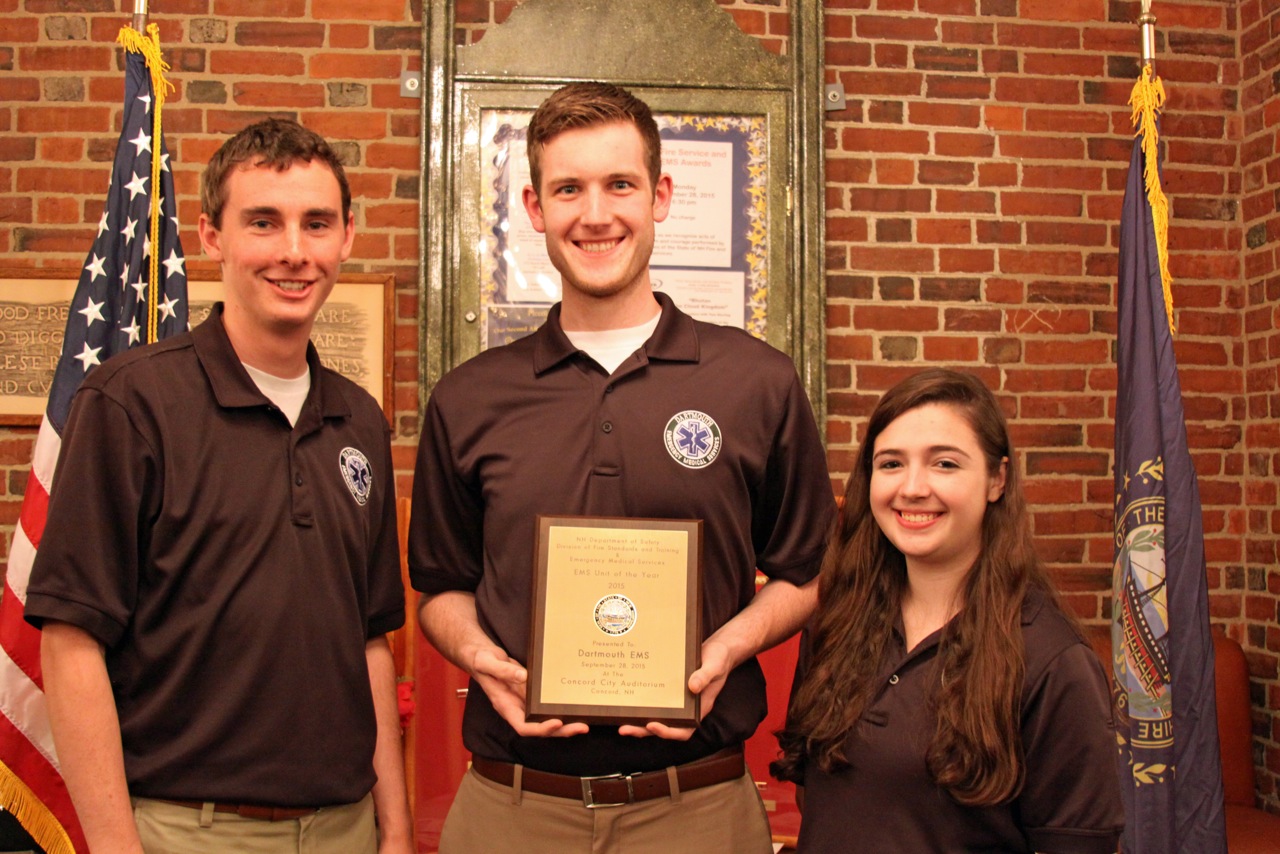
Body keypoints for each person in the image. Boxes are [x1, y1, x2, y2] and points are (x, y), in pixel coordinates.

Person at [409, 82, 835, 853]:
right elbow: (441, 586)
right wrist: (483, 660)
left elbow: (806, 573)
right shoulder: (469, 397)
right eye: (568, 188)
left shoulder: (756, 382)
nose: (595, 214)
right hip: (512, 806)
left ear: (660, 196)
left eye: (620, 185)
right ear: (536, 208)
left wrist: (725, 651)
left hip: (697, 806)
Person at [24, 118, 413, 854]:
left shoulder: (357, 420)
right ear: (210, 235)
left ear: (347, 237)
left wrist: (393, 830)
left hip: (346, 829)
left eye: (317, 223)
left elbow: (369, 640)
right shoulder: (130, 405)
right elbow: (71, 642)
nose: (294, 252)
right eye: (263, 222)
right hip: (186, 832)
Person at [773, 368, 1125, 853]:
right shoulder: (837, 621)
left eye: (944, 464)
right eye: (891, 464)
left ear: (997, 480)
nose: (913, 488)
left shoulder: (1051, 659)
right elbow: (816, 797)